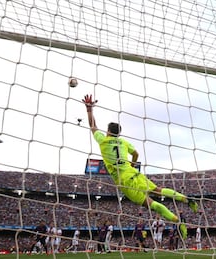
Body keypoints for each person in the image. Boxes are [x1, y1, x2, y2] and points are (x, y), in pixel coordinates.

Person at [82, 94, 198, 239]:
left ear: (108, 131)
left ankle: (177, 221)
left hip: (125, 180)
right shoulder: (124, 143)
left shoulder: (103, 140)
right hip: (134, 173)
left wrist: (89, 109)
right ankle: (186, 199)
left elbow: (93, 126)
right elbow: (136, 154)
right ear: (119, 133)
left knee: (152, 204)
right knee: (158, 190)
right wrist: (131, 164)